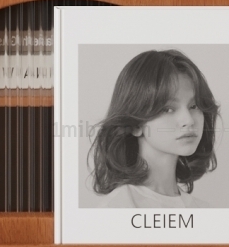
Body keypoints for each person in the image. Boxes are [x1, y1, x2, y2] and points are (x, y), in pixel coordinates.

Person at [87, 48, 219, 209]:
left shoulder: (208, 211)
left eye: (194, 106)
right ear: (135, 124)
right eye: (168, 109)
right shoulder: (118, 208)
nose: (188, 120)